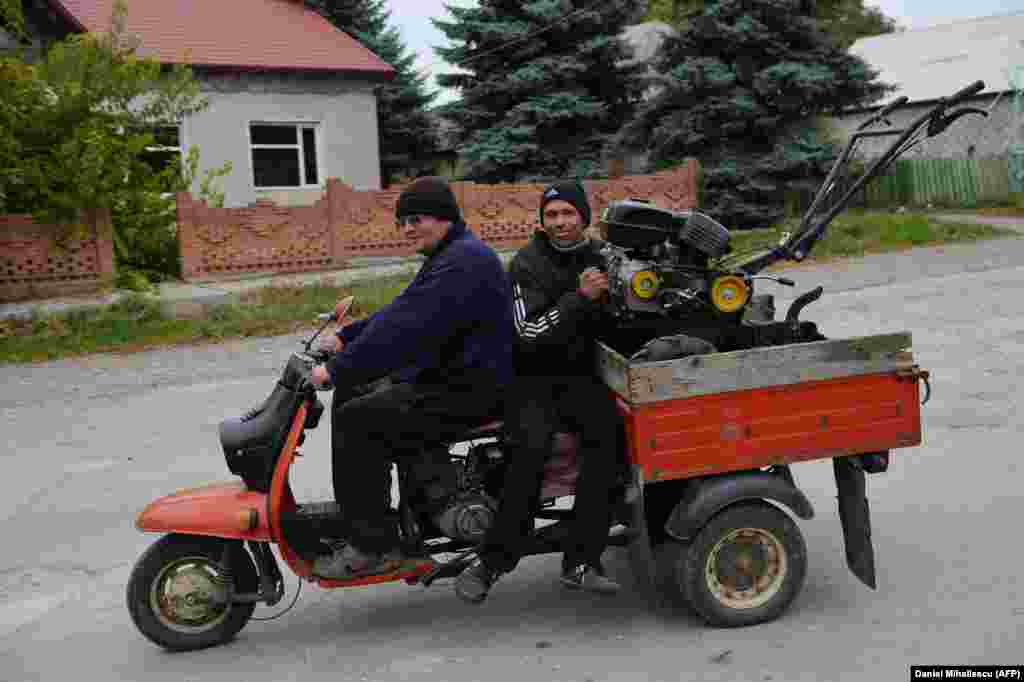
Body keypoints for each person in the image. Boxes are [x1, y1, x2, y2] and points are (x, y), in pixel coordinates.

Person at [310, 177, 515, 579]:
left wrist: (335, 369)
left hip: (472, 389)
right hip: (449, 377)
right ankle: (366, 516)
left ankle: (374, 546)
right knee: (356, 392)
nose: (407, 229)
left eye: (415, 219)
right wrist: (347, 338)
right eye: (402, 221)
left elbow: (405, 328)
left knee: (359, 420)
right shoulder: (450, 255)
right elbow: (401, 309)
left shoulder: (464, 261)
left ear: (443, 218)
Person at [454, 180, 625, 603]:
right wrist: (580, 298)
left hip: (583, 378)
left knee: (610, 445)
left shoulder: (604, 257)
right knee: (528, 453)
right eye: (552, 215)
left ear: (584, 217)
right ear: (542, 220)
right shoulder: (527, 264)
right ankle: (492, 561)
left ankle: (581, 561)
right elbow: (527, 333)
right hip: (532, 379)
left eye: (569, 213)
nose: (561, 222)